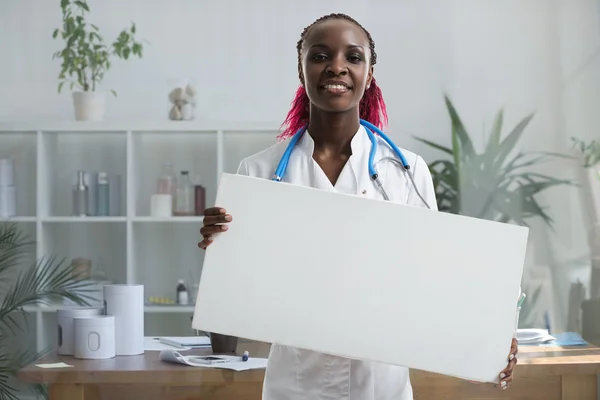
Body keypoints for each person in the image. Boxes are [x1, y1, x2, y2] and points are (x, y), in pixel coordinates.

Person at [198, 12, 518, 400]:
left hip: (381, 389)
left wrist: (487, 343)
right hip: (295, 389)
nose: (337, 66)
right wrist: (221, 261)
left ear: (369, 75)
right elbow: (225, 334)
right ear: (301, 72)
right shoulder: (258, 172)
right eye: (320, 56)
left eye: (353, 57)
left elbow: (435, 287)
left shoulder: (407, 171)